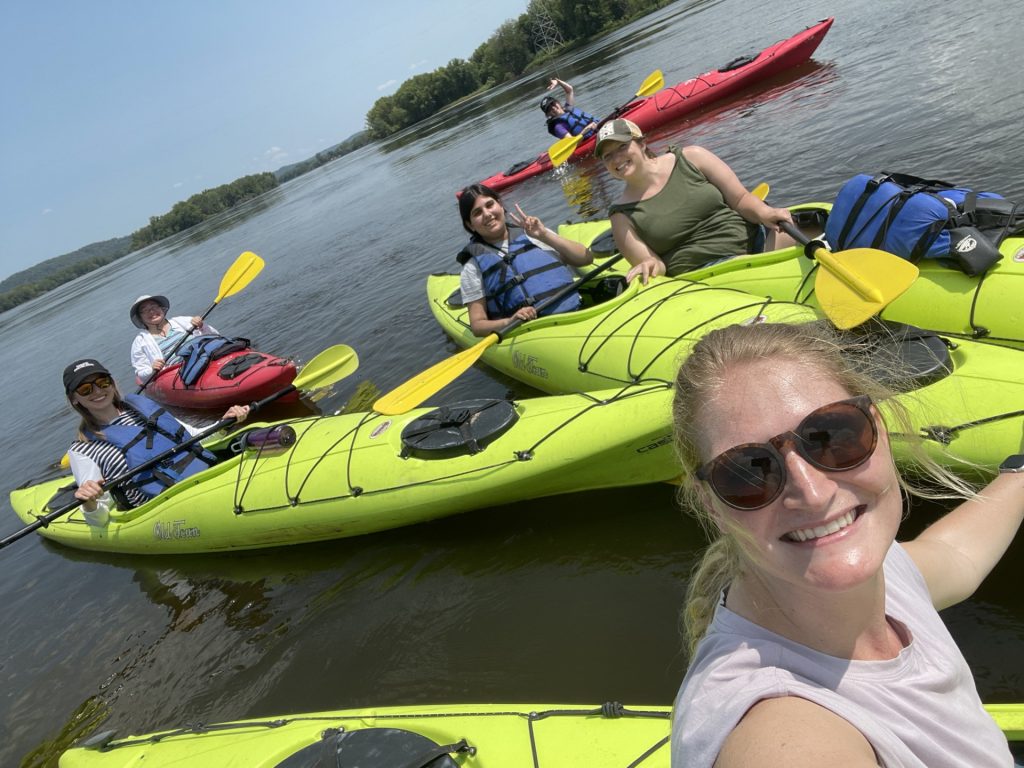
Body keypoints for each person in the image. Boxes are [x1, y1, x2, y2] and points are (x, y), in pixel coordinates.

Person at [669, 321, 1023, 766]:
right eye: (748, 471)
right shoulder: (779, 728)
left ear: (878, 428)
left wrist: (1020, 472)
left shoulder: (878, 574)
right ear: (713, 505)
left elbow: (956, 556)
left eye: (831, 435)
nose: (813, 493)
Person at [594, 118, 795, 284]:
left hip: (755, 240)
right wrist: (649, 264)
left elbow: (740, 199)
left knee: (802, 230)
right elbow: (655, 264)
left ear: (642, 143)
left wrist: (765, 212)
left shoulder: (692, 158)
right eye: (607, 156)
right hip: (709, 273)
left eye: (622, 147)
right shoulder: (620, 215)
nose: (616, 159)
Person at [64, 358, 250, 526]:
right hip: (161, 513)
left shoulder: (143, 409)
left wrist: (224, 423)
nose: (97, 391)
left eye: (102, 382)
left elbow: (193, 437)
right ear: (74, 399)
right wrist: (89, 503)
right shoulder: (83, 449)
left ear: (112, 384)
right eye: (85, 389)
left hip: (205, 477)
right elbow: (99, 520)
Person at [457, 183, 594, 336]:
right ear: (470, 225)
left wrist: (544, 235)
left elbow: (586, 259)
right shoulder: (472, 266)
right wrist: (510, 321)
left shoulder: (533, 234)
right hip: (533, 334)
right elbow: (477, 325)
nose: (487, 214)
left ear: (500, 205)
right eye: (477, 213)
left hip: (577, 314)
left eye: (490, 205)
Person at [129, 294, 217, 382]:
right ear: (140, 318)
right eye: (144, 310)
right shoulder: (140, 342)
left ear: (161, 309)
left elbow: (215, 337)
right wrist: (151, 369)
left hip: (204, 360)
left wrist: (202, 326)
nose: (151, 311)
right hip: (176, 377)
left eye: (154, 306)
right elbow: (141, 373)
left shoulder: (184, 321)